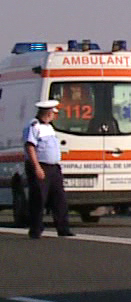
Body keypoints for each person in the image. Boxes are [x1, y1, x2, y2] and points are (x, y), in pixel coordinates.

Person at [21, 99, 74, 238]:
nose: (54, 116)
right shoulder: (34, 126)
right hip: (40, 166)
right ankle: (35, 229)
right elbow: (30, 147)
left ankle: (63, 228)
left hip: (53, 168)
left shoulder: (49, 127)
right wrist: (37, 167)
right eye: (53, 113)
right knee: (39, 198)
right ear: (48, 113)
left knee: (59, 198)